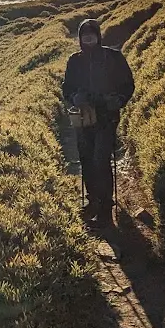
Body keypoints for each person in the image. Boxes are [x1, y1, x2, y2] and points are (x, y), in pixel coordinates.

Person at [62, 19, 135, 227]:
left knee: (101, 159)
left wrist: (119, 100)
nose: (88, 38)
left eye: (91, 35)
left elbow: (128, 84)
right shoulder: (74, 61)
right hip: (84, 117)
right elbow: (67, 87)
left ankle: (105, 204)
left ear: (98, 35)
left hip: (106, 117)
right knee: (86, 159)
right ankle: (94, 201)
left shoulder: (113, 57)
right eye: (84, 35)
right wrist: (74, 97)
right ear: (80, 38)